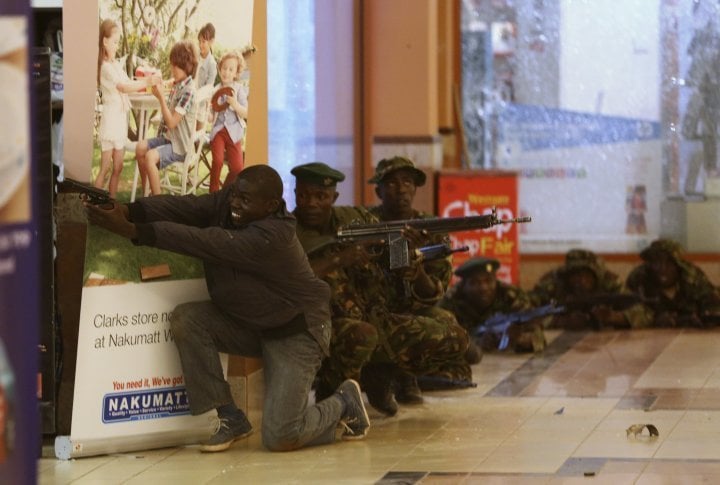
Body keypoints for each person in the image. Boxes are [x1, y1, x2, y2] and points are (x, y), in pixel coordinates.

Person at [84, 165, 370, 452]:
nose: (234, 203)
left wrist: (134, 230)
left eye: (245, 200)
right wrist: (129, 209)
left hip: (295, 330)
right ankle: (229, 417)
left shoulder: (272, 236)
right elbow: (185, 207)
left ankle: (345, 402)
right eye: (234, 194)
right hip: (252, 323)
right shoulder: (229, 202)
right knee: (189, 319)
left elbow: (207, 242)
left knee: (282, 435)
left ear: (270, 206)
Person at [367, 156, 470, 400]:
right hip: (370, 309)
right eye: (391, 183)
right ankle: (377, 373)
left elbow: (436, 290)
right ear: (378, 191)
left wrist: (417, 271)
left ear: (415, 188)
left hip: (411, 310)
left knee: (449, 326)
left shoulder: (431, 230)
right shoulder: (365, 223)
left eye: (407, 182)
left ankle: (406, 373)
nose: (401, 189)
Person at [290, 162, 379, 403]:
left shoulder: (353, 219)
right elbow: (291, 279)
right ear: (294, 194)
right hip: (308, 325)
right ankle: (333, 395)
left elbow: (384, 240)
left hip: (359, 313)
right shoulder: (285, 231)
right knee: (363, 335)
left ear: (334, 196)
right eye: (304, 195)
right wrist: (340, 258)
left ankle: (383, 378)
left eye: (321, 196)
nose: (311, 203)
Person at [94, 19, 156, 199]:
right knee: (105, 167)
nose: (117, 44)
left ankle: (111, 205)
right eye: (114, 41)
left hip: (120, 120)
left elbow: (129, 82)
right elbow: (123, 87)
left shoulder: (115, 65)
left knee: (118, 166)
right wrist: (147, 82)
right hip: (111, 120)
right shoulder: (105, 67)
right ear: (105, 42)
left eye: (118, 41)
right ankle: (92, 207)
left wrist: (148, 81)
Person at [439, 257, 545, 360]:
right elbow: (438, 337)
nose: (483, 288)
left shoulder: (510, 295)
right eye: (475, 282)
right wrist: (474, 342)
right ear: (464, 285)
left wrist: (522, 340)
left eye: (488, 281)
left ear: (496, 280)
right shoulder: (451, 300)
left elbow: (537, 332)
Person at [135, 40, 197, 196]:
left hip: (180, 146)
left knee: (150, 157)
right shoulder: (178, 85)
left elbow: (171, 122)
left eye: (176, 65)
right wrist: (159, 91)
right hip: (169, 139)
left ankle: (158, 203)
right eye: (172, 65)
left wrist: (161, 98)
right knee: (140, 147)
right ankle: (147, 193)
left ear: (186, 66)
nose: (172, 69)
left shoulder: (189, 91)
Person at [529, 249, 647, 329]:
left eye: (586, 275)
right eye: (576, 275)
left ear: (596, 275)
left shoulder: (609, 283)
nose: (581, 281)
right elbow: (525, 312)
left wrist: (615, 318)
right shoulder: (553, 284)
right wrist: (561, 322)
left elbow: (644, 311)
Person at [626, 239, 720, 327]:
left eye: (669, 263)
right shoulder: (639, 278)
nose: (662, 268)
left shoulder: (691, 276)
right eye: (656, 262)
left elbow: (711, 299)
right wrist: (654, 320)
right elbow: (629, 311)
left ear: (678, 265)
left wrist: (706, 318)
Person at [208, 51, 248, 192]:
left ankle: (224, 192)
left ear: (236, 73)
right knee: (218, 161)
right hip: (218, 130)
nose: (226, 72)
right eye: (224, 68)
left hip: (235, 131)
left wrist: (236, 104)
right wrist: (209, 110)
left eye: (231, 69)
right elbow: (211, 118)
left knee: (237, 168)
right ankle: (212, 194)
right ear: (220, 69)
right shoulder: (215, 90)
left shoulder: (239, 89)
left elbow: (246, 112)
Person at [195, 23, 217, 132]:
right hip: (189, 102)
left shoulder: (212, 64)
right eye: (199, 41)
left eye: (203, 41)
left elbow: (209, 88)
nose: (200, 45)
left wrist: (198, 97)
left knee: (196, 138)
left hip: (201, 106)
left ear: (211, 41)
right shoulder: (195, 57)